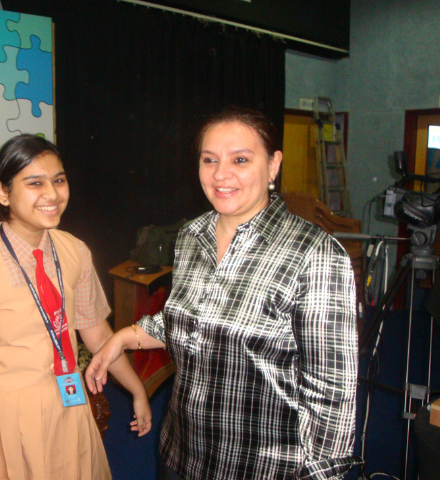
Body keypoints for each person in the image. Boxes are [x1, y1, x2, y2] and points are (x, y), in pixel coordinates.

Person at [86, 107, 360, 480]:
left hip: (260, 467)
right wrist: (123, 338)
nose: (220, 174)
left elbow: (332, 392)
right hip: (181, 453)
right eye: (209, 160)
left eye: (240, 160)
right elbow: (189, 319)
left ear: (273, 165)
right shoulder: (191, 236)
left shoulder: (315, 254)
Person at [0, 134, 151, 480]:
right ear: (2, 193)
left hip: (66, 405)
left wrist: (137, 389)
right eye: (35, 183)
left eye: (59, 180)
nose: (52, 194)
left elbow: (96, 332)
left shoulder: (74, 250)